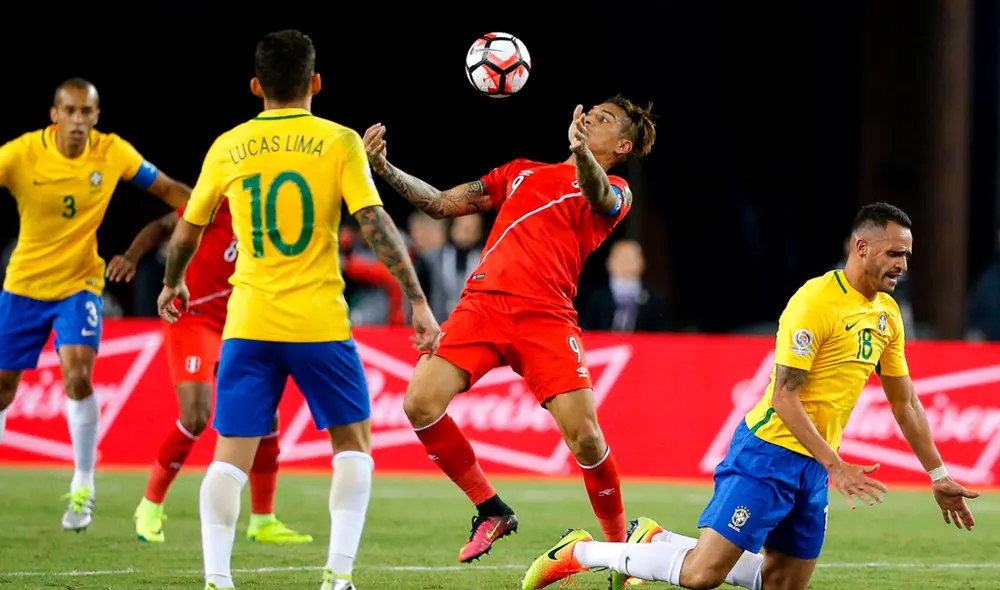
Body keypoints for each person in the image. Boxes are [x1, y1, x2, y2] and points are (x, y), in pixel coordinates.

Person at [521, 203, 980, 590]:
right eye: (895, 253)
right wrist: (835, 465)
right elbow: (784, 396)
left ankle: (656, 541)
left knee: (782, 582)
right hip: (769, 452)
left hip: (813, 467)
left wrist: (937, 473)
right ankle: (580, 551)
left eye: (907, 255)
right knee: (703, 574)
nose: (903, 264)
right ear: (862, 248)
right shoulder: (814, 302)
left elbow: (907, 403)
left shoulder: (887, 315)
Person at [156, 30, 440, 590]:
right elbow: (376, 224)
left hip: (248, 322)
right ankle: (337, 578)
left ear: (257, 86)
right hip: (319, 324)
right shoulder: (338, 142)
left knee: (228, 456)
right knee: (354, 447)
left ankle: (216, 577)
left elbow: (186, 233)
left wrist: (172, 284)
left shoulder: (228, 145)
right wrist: (418, 301)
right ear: (315, 83)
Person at [362, 95, 656, 562]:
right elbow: (440, 204)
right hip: (482, 306)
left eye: (604, 120)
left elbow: (598, 194)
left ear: (621, 144)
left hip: (546, 316)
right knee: (419, 403)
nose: (590, 119)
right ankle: (491, 508)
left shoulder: (616, 191)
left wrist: (580, 152)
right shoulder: (522, 171)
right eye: (590, 113)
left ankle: (621, 550)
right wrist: (385, 168)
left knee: (587, 438)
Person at [0, 78, 190, 532]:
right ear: (54, 115)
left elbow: (167, 189)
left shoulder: (112, 152)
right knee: (3, 388)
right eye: (70, 111)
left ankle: (83, 487)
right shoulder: (21, 155)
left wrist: (221, 209)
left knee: (78, 375)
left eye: (87, 112)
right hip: (24, 284)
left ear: (96, 116)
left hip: (80, 283)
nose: (79, 121)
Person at [108, 203, 311, 545]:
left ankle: (263, 520)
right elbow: (163, 225)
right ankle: (150, 505)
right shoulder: (222, 198)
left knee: (267, 414)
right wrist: (133, 257)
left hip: (239, 321)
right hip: (192, 316)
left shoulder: (279, 209)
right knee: (196, 415)